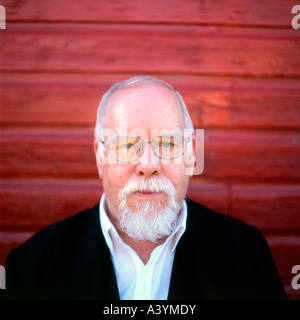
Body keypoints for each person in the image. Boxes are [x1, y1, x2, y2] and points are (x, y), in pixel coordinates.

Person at [4, 76, 288, 300]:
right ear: (100, 157)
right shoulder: (32, 266)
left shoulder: (247, 256)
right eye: (127, 145)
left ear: (190, 154)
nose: (148, 165)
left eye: (167, 144)